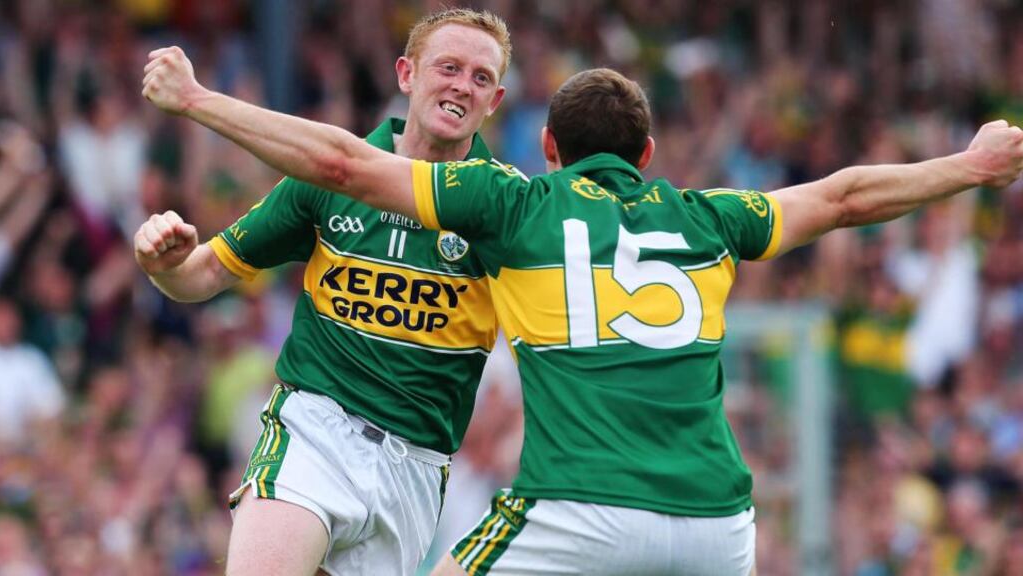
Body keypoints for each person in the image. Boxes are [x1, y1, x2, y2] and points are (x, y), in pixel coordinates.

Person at [142, 47, 1023, 574]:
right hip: (721, 524)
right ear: (647, 154)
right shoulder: (709, 217)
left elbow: (338, 162)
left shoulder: (516, 205)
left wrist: (197, 101)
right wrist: (972, 166)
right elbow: (844, 197)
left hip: (580, 509)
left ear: (549, 149)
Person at [134, 9, 512, 576]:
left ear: (496, 100)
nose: (463, 85)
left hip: (414, 468)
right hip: (315, 430)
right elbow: (202, 274)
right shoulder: (322, 180)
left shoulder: (507, 206)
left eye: (481, 78)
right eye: (449, 67)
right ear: (406, 75)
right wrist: (163, 265)